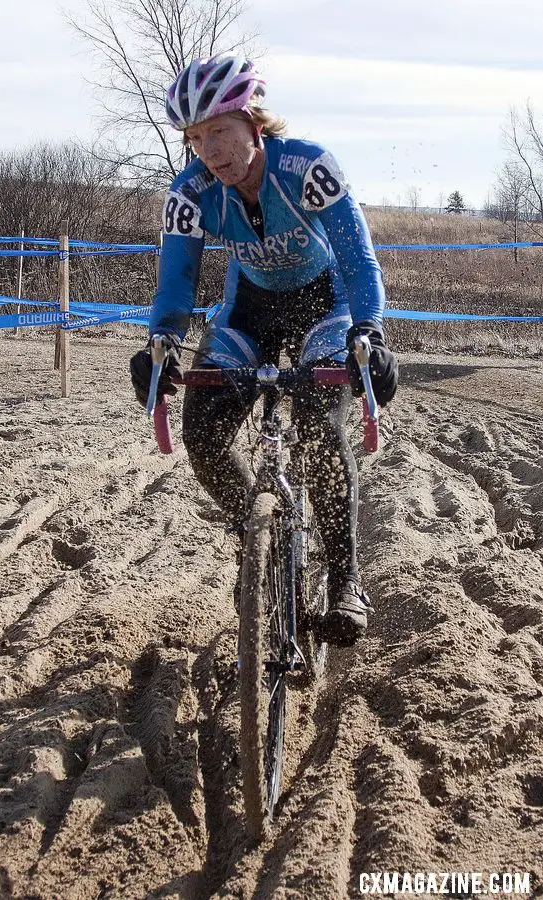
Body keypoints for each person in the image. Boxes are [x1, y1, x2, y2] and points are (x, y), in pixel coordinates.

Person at [129, 53, 398, 646]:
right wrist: (162, 341)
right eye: (195, 139)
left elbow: (358, 258)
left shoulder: (308, 166)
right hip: (246, 310)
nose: (209, 151)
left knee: (323, 432)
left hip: (321, 303)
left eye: (218, 132)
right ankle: (256, 533)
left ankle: (344, 579)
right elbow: (177, 281)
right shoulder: (191, 193)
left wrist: (370, 331)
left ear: (252, 121)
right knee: (203, 433)